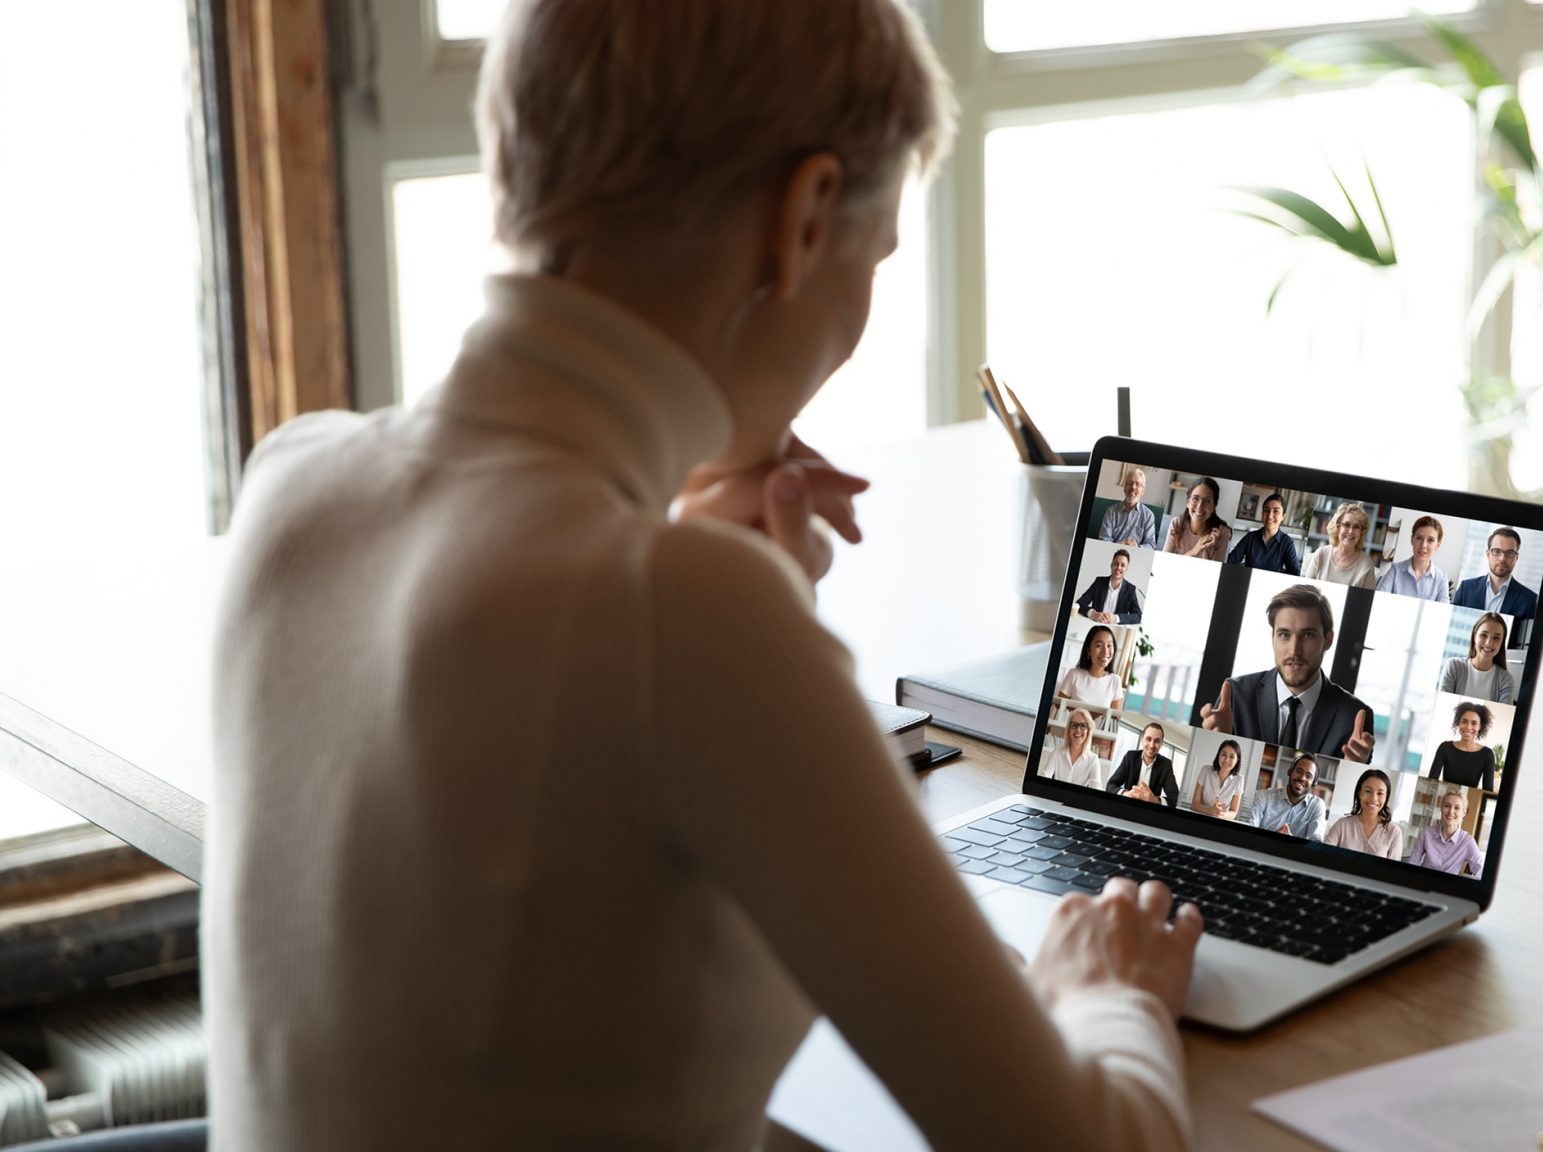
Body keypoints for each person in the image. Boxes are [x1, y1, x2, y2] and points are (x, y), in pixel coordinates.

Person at [203, 5, 1205, 1148]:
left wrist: (702, 555)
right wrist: (1107, 992)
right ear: (805, 216)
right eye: (872, 259)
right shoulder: (677, 615)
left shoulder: (294, 485)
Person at [1199, 584, 1375, 762]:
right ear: (1273, 638)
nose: (1294, 651)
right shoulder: (1235, 696)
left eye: (1308, 635)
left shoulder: (1354, 717)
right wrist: (1214, 742)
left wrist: (1354, 768)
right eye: (1284, 634)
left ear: (1328, 640)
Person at [1451, 526, 1539, 618]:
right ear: (1488, 553)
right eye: (1497, 551)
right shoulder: (1466, 589)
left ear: (1516, 557)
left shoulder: (1529, 600)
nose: (1502, 558)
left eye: (1509, 553)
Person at [1322, 769, 1403, 858]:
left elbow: (1392, 870)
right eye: (1368, 791)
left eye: (1380, 793)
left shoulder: (1394, 832)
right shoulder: (1342, 825)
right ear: (1360, 793)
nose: (1373, 798)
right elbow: (1324, 855)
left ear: (1386, 797)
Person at [1439, 612, 1516, 704]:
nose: (1489, 643)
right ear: (1474, 636)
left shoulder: (1506, 679)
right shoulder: (1454, 666)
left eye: (1496, 638)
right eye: (1484, 635)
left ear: (1502, 642)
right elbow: (1443, 704)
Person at [1245, 755, 1325, 840]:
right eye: (1299, 771)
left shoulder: (1317, 806)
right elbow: (1248, 833)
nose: (1302, 778)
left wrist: (1292, 843)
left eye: (1308, 776)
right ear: (1290, 772)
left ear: (1313, 783)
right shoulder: (1263, 797)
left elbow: (1316, 843)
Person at [1409, 788, 1484, 877]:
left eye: (1457, 808)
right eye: (1447, 806)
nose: (1451, 811)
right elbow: (1412, 863)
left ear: (1463, 812)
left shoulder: (1468, 841)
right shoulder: (1426, 833)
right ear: (1441, 808)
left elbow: (1480, 872)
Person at [1301, 502, 1377, 589]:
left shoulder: (1367, 564)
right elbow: (1305, 591)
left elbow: (1367, 599)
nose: (1351, 531)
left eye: (1357, 527)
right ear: (1338, 527)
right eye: (1347, 525)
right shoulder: (1321, 554)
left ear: (1361, 532)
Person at [1378, 515, 1450, 603]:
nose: (1423, 545)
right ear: (1412, 540)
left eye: (1430, 540)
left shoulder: (1441, 579)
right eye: (1419, 538)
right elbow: (1378, 601)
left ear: (1437, 546)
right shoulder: (1395, 570)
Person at [1427, 701, 1498, 791]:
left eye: (1474, 723)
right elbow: (1431, 782)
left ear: (1480, 726)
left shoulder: (1487, 755)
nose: (1468, 727)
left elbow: (1487, 792)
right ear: (1458, 723)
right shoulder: (1445, 748)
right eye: (1464, 721)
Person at [1106, 722, 1179, 808]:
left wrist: (1155, 800)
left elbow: (1175, 798)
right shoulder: (1130, 757)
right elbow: (1110, 785)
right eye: (1148, 739)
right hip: (1126, 806)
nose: (1151, 745)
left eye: (1157, 741)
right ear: (1142, 739)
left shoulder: (1166, 765)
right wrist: (1126, 793)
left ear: (1161, 744)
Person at [1055, 624, 1126, 711]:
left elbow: (1114, 719)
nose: (1105, 651)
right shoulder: (1074, 674)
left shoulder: (1115, 681)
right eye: (1098, 646)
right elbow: (1057, 708)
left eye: (1109, 646)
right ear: (1088, 650)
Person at [1225, 493, 1301, 574]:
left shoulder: (1287, 543)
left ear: (1283, 516)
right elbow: (1230, 561)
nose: (1270, 516)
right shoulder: (1250, 537)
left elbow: (1295, 573)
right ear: (1262, 513)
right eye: (1266, 510)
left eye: (1276, 511)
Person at [1163, 476, 1231, 561]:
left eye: (1207, 501)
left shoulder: (1223, 532)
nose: (1199, 507)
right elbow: (1164, 562)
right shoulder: (1176, 524)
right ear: (1188, 502)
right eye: (1195, 499)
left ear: (1213, 507)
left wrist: (1206, 549)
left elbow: (1215, 573)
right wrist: (1195, 550)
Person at [1040, 709, 1107, 789]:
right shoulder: (1057, 752)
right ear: (1069, 729)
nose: (1078, 730)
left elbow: (1096, 789)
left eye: (1083, 726)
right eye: (1074, 725)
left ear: (1088, 731)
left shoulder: (1093, 760)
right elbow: (1044, 775)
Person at [1075, 548, 1142, 624]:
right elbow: (1079, 603)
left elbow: (1138, 616)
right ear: (1111, 565)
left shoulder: (1131, 590)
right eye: (1116, 563)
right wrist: (1093, 614)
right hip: (1094, 625)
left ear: (1126, 569)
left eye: (1122, 565)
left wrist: (1116, 618)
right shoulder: (1099, 582)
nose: (1118, 567)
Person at [1098, 467, 1160, 550]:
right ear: (1124, 488)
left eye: (1137, 484)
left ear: (1143, 491)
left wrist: (1137, 548)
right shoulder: (1111, 511)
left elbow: (1151, 545)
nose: (1133, 487)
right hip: (1112, 553)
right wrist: (1117, 546)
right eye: (1130, 483)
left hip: (1136, 556)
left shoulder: (1148, 516)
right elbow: (1103, 539)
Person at [1187, 739, 1245, 820]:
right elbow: (1195, 804)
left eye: (1232, 756)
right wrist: (1210, 810)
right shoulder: (1205, 770)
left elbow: (1234, 811)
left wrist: (1221, 814)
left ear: (1237, 760)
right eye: (1223, 755)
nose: (1226, 760)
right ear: (1218, 755)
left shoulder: (1239, 779)